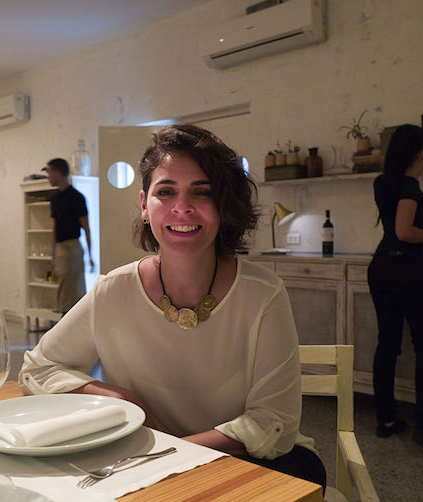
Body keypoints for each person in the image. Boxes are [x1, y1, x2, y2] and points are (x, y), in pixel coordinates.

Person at [20, 125, 327, 488]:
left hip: (255, 460)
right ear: (144, 206)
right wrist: (120, 398)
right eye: (166, 191)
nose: (182, 207)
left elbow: (272, 423)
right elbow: (36, 369)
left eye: (202, 192)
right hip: (154, 461)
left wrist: (172, 458)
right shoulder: (112, 291)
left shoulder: (262, 293)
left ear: (223, 206)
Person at [368, 124, 423, 455]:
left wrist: (418, 165)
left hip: (381, 268)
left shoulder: (383, 182)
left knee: (388, 343)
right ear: (418, 152)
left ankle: (386, 419)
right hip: (405, 269)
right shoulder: (410, 187)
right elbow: (403, 231)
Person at [42, 158, 94, 315]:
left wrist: (90, 255)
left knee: (73, 286)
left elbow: (86, 227)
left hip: (72, 247)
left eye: (49, 173)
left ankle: (71, 320)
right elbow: (55, 228)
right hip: (61, 248)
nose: (48, 177)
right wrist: (53, 256)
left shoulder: (76, 197)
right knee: (65, 286)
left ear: (58, 172)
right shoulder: (55, 199)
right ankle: (67, 319)